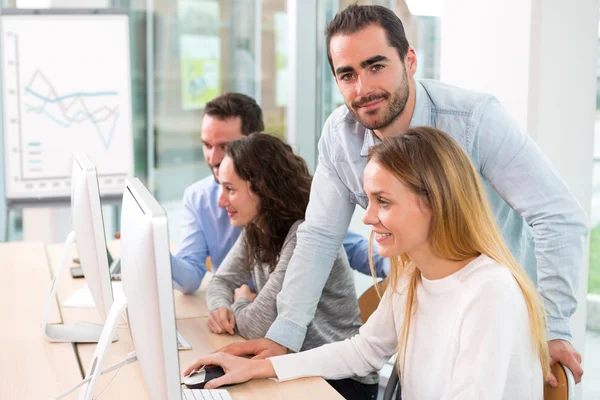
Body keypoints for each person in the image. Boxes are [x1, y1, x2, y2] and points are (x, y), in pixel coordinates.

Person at [215, 4, 587, 387]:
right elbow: (320, 238)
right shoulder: (342, 138)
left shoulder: (473, 120)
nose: (362, 89)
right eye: (347, 74)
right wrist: (283, 339)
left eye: (376, 66)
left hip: (493, 314)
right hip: (425, 306)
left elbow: (557, 216)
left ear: (409, 60)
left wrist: (553, 324)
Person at [185, 127, 551, 399]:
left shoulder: (490, 293)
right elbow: (363, 351)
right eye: (369, 200)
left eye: (384, 202)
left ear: (434, 202)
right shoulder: (412, 277)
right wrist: (258, 368)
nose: (367, 217)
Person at [204, 133, 379, 399]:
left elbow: (257, 326)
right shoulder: (256, 228)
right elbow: (220, 280)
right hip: (294, 367)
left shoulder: (302, 235)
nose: (221, 200)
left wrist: (239, 301)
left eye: (230, 189)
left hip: (340, 381)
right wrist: (220, 305)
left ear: (262, 188)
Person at [170, 92, 389, 295]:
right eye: (207, 145)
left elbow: (347, 247)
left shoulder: (291, 195)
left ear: (258, 142)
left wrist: (405, 266)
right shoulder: (198, 198)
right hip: (239, 321)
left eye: (226, 147)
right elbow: (192, 278)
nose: (213, 158)